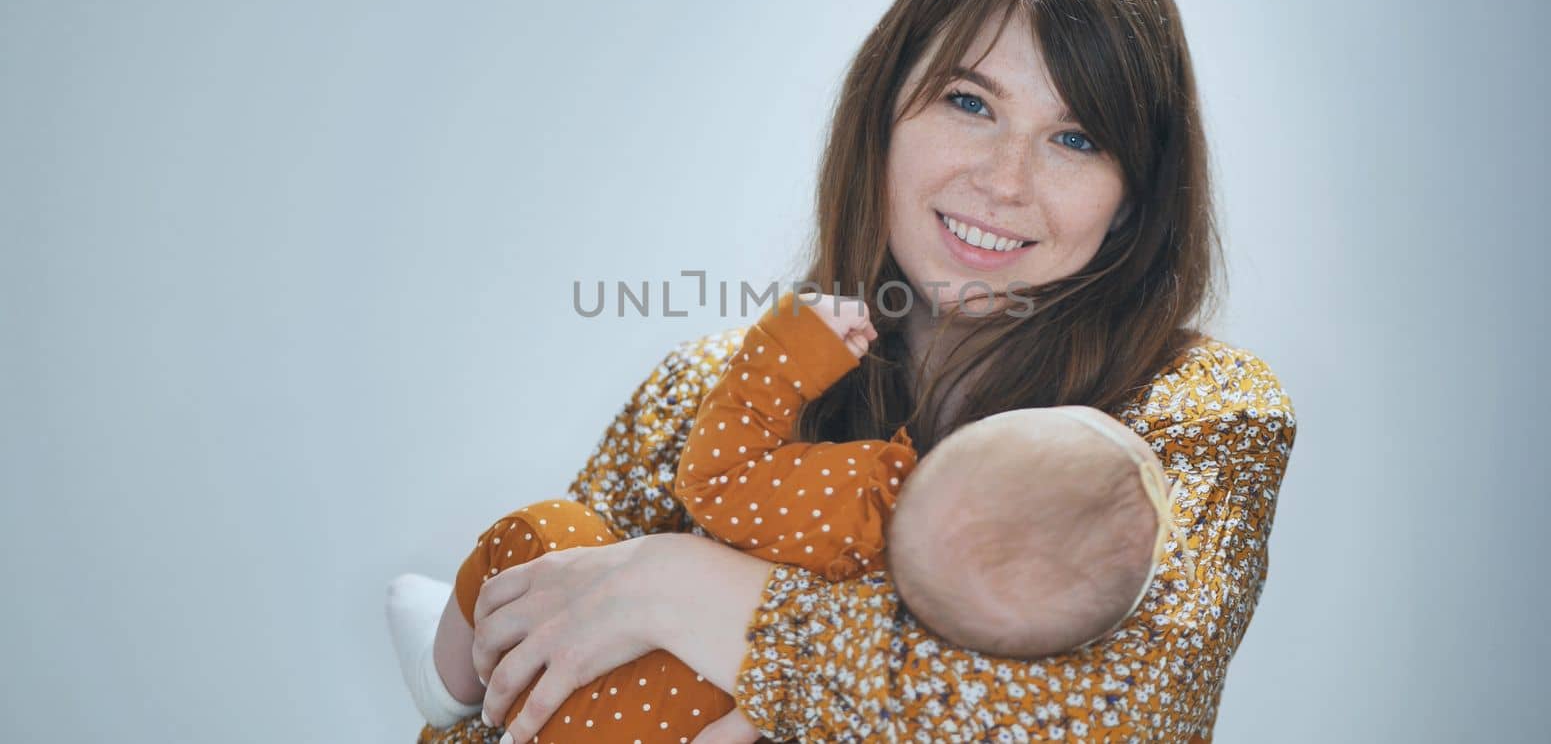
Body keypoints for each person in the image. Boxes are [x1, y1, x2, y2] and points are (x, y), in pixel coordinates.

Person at [390, 0, 1298, 743]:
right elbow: (503, 698)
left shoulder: (1202, 417)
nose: (1006, 179)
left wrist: (692, 590)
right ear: (884, 116)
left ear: (1134, 194)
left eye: (1076, 138)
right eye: (969, 102)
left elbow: (1115, 715)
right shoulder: (704, 390)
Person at [387, 288, 1185, 740]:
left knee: (544, 538)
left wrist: (789, 349)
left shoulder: (869, 505)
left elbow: (719, 476)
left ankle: (444, 672)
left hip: (592, 710)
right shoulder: (987, 678)